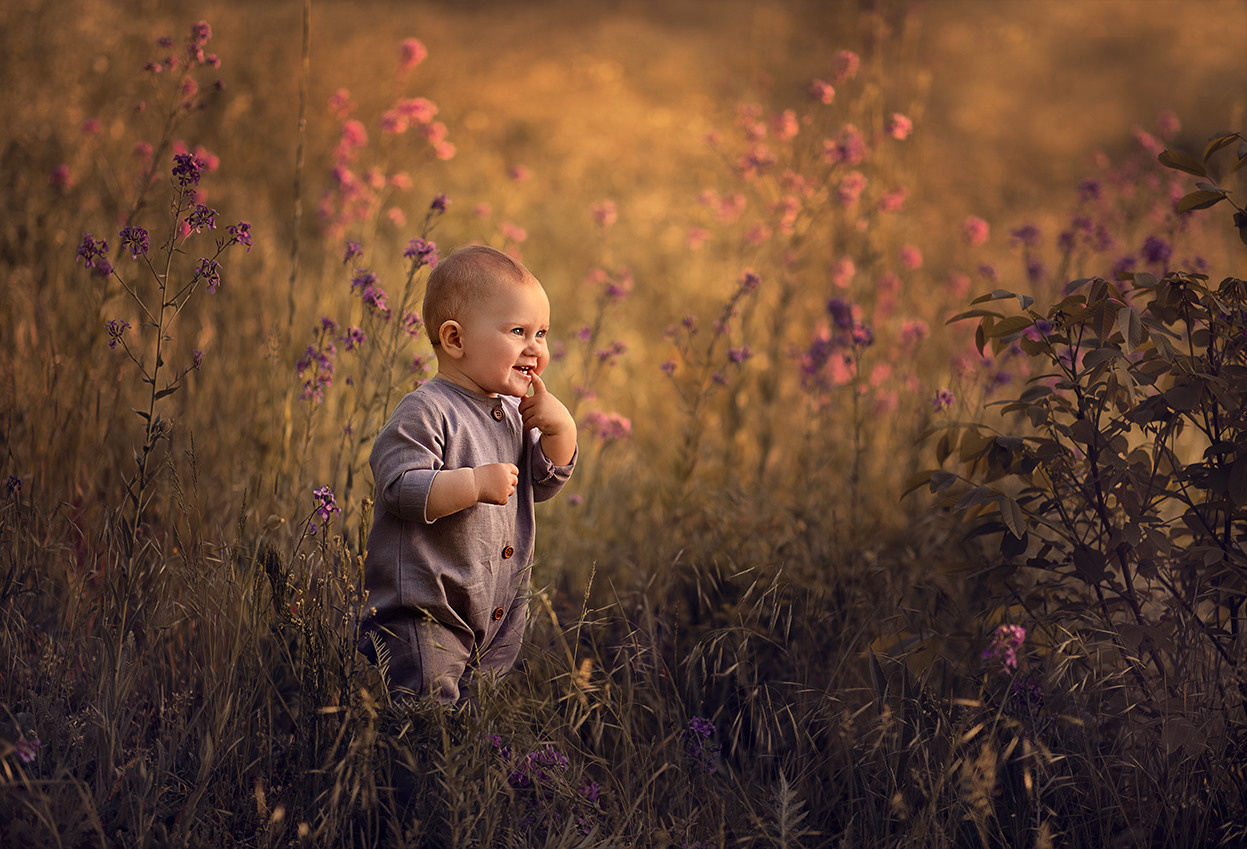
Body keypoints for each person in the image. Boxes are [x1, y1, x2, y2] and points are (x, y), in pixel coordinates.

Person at [359, 244, 577, 703]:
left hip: (494, 613)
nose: (535, 348)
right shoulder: (427, 409)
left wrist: (561, 429)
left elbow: (542, 482)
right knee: (426, 716)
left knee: (474, 723)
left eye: (542, 334)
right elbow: (399, 487)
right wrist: (474, 484)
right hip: (427, 611)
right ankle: (410, 774)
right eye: (518, 331)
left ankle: (467, 771)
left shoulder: (515, 413)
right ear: (455, 340)